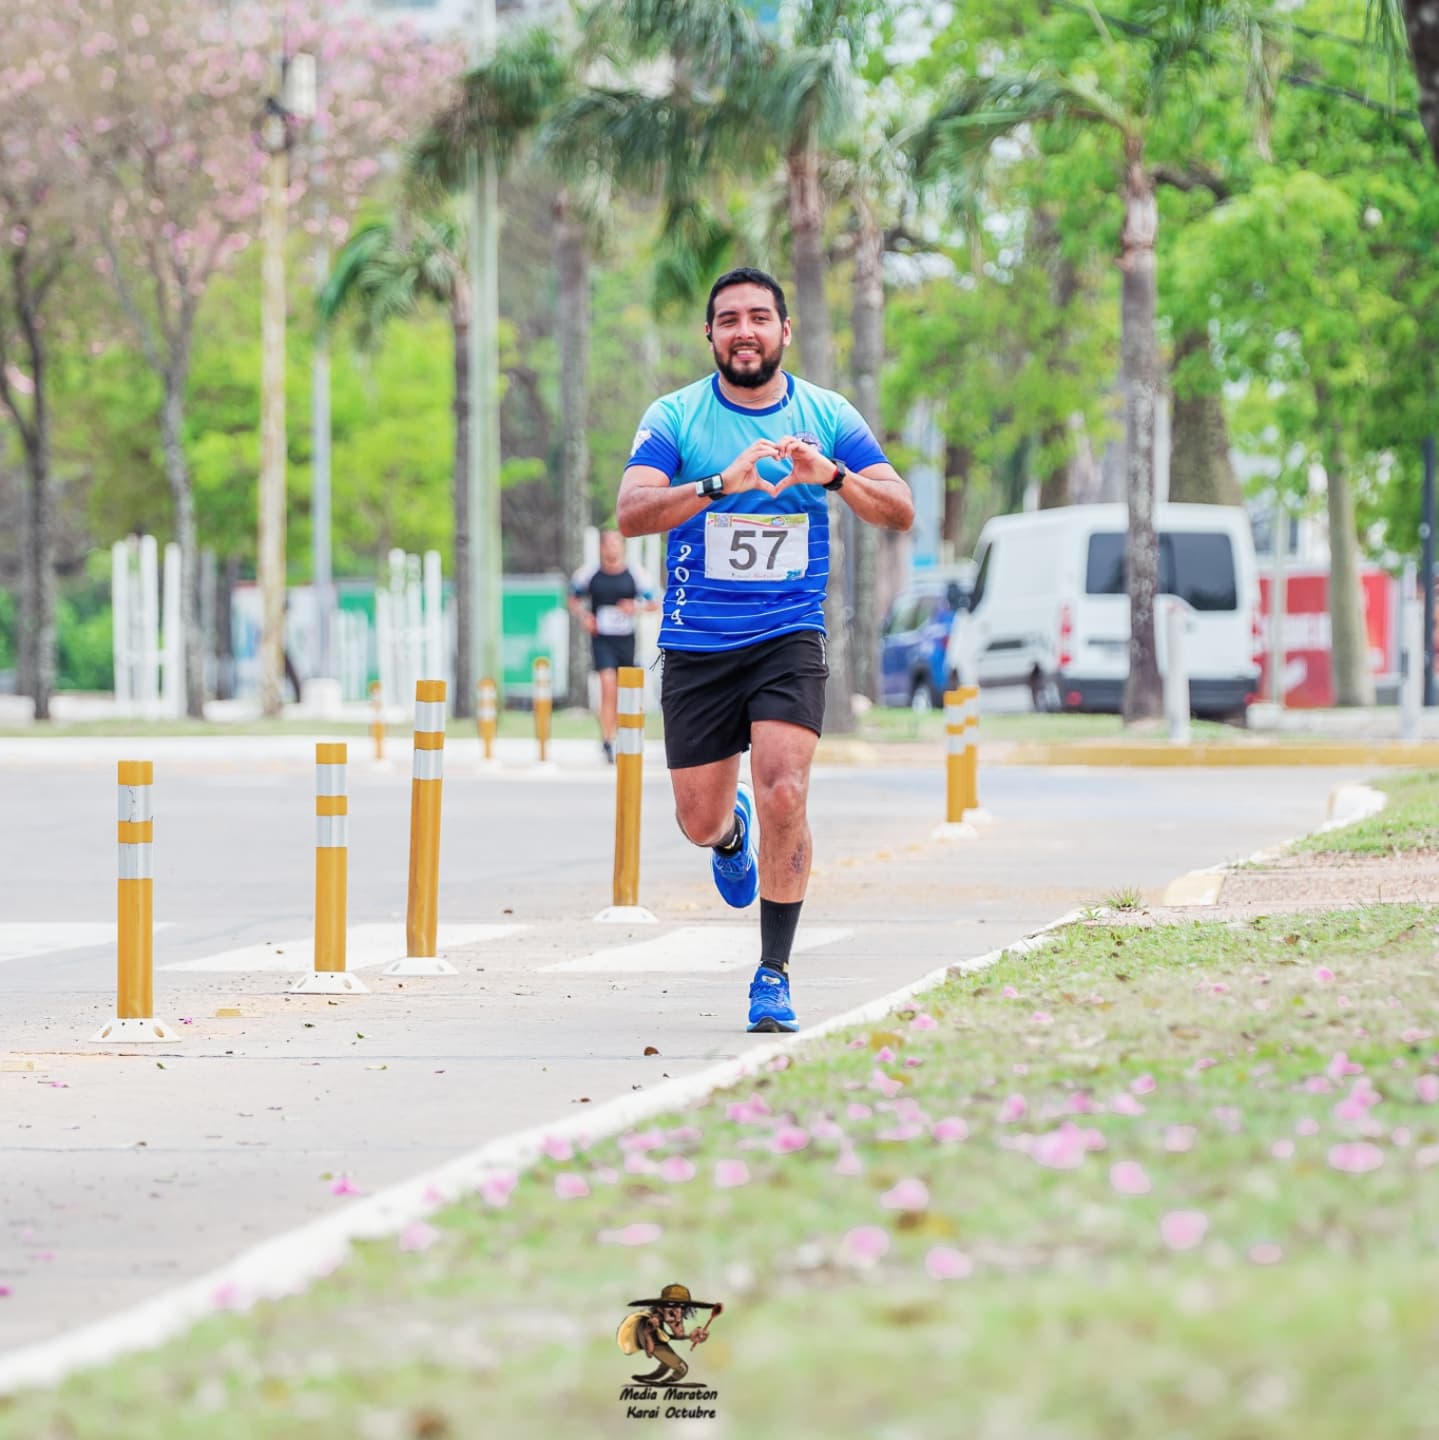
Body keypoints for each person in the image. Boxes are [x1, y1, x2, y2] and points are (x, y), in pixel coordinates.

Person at [617, 266, 914, 1034]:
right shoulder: (676, 416)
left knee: (786, 788)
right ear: (710, 336)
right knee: (697, 820)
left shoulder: (827, 412)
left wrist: (833, 476)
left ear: (784, 331)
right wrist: (718, 483)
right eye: (727, 319)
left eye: (758, 317)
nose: (743, 330)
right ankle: (731, 837)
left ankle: (771, 974)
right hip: (697, 645)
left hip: (787, 635)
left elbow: (900, 508)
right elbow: (631, 513)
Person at [568, 530, 657, 762]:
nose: (612, 549)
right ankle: (607, 739)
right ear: (601, 548)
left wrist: (634, 606)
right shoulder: (589, 574)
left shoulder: (635, 574)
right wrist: (585, 617)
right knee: (607, 686)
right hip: (602, 639)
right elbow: (573, 597)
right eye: (608, 545)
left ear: (622, 548)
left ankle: (622, 736)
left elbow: (653, 602)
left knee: (625, 692)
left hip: (626, 640)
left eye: (616, 544)